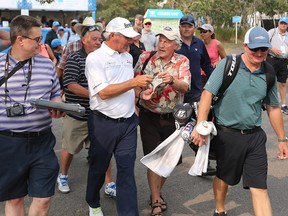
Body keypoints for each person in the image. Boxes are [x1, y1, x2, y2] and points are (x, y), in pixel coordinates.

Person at [191, 26, 288, 216]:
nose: (259, 53)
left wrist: (282, 139)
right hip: (227, 135)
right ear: (245, 46)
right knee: (223, 177)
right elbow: (207, 94)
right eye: (255, 49)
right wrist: (200, 125)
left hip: (255, 137)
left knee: (259, 188)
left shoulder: (268, 72)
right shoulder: (228, 65)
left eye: (264, 49)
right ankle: (219, 209)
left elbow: (273, 107)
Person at [85, 17, 153, 216]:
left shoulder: (127, 56)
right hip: (102, 123)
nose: (130, 42)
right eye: (126, 38)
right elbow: (104, 92)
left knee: (126, 171)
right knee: (98, 168)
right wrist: (134, 83)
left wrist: (140, 93)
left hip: (128, 123)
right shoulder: (95, 58)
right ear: (113, 35)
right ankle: (93, 201)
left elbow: (125, 87)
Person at [0, 15, 64, 216]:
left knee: (43, 199)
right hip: (8, 142)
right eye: (37, 39)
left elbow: (56, 94)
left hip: (42, 141)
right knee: (15, 198)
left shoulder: (46, 65)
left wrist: (58, 106)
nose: (41, 43)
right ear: (20, 39)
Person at [134, 26, 191, 216]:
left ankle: (156, 192)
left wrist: (172, 81)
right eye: (160, 40)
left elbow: (185, 87)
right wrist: (141, 94)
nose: (162, 44)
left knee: (171, 160)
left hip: (173, 118)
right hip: (149, 115)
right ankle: (156, 198)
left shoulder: (182, 61)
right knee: (153, 158)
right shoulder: (145, 58)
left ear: (176, 44)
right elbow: (133, 82)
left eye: (167, 41)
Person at [177, 15, 215, 175]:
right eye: (183, 26)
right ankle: (175, 153)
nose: (186, 28)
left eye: (189, 26)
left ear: (194, 28)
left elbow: (206, 63)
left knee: (200, 125)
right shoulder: (175, 44)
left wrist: (215, 80)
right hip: (177, 93)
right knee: (180, 128)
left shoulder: (199, 43)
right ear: (179, 28)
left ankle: (203, 162)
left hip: (197, 92)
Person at [267, 16, 288, 115]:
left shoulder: (287, 35)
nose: (283, 25)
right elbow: (264, 42)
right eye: (281, 23)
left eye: (285, 24)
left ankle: (284, 105)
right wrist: (272, 48)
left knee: (283, 83)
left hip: (283, 61)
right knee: (269, 81)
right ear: (279, 23)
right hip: (272, 59)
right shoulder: (272, 32)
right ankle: (266, 102)